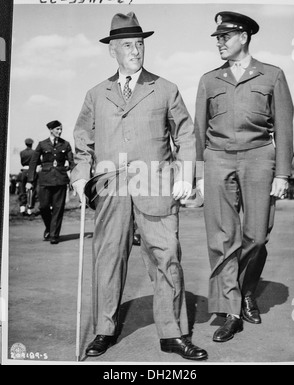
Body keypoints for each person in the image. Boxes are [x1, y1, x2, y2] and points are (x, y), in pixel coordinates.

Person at [71, 12, 208, 361]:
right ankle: (104, 329)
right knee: (108, 260)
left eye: (140, 44)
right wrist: (79, 176)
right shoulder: (95, 95)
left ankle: (173, 334)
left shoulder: (165, 88)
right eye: (128, 45)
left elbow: (186, 135)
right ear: (112, 50)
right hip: (110, 185)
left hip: (156, 183)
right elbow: (83, 142)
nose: (136, 50)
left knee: (167, 258)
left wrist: (184, 175)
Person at [194, 11, 294, 343]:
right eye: (217, 38)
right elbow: (198, 131)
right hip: (218, 159)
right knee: (222, 237)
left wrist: (283, 173)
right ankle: (231, 310)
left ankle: (247, 289)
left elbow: (283, 127)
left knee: (257, 236)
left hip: (259, 157)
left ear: (244, 37)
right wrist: (197, 174)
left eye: (225, 36)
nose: (219, 43)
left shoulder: (272, 75)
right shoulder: (210, 80)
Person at [26, 120, 75, 244]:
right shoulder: (42, 144)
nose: (60, 131)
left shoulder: (66, 144)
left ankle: (54, 235)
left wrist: (73, 176)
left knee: (58, 208)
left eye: (61, 129)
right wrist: (30, 180)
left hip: (60, 179)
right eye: (57, 129)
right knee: (43, 207)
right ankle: (49, 227)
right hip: (45, 180)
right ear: (51, 130)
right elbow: (33, 162)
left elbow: (72, 162)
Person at [17, 138, 37, 216]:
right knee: (31, 190)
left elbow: (22, 162)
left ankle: (22, 208)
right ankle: (29, 209)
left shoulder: (22, 152)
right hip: (31, 171)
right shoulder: (34, 152)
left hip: (24, 171)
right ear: (32, 144)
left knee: (22, 190)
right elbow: (37, 162)